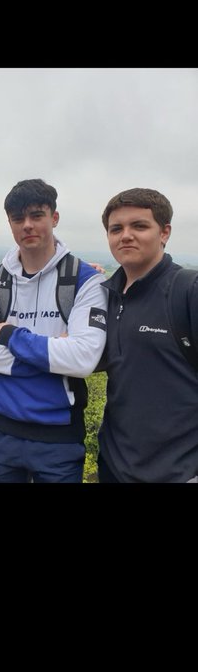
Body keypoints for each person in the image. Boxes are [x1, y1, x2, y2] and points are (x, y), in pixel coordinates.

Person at [0, 178, 108, 483]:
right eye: (18, 219)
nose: (27, 225)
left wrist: (8, 336)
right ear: (9, 223)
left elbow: (83, 359)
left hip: (58, 438)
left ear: (54, 218)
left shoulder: (85, 281)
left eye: (37, 215)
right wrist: (54, 353)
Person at [98, 187, 198, 483]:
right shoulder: (105, 296)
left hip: (177, 473)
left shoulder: (187, 291)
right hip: (113, 468)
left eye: (139, 226)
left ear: (164, 232)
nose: (125, 235)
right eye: (116, 228)